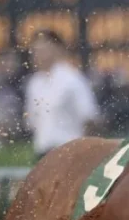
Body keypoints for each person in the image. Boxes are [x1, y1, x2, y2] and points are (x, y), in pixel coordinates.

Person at [24, 30, 100, 161]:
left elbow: (89, 118)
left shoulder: (73, 79)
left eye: (43, 50)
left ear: (57, 49)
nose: (38, 55)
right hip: (42, 153)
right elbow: (32, 122)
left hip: (70, 153)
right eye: (35, 51)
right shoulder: (34, 84)